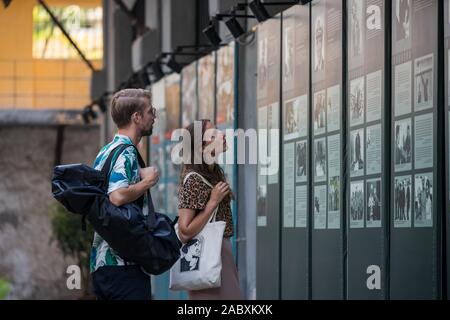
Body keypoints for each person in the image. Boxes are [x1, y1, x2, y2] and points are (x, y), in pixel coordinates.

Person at [90, 88, 159, 300]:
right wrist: (147, 181)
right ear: (136, 117)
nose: (154, 116)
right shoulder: (126, 152)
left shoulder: (107, 151)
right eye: (150, 111)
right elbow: (117, 196)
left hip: (103, 264)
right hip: (123, 265)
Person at [177, 119, 243, 300]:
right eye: (213, 135)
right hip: (208, 259)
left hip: (220, 256)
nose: (222, 135)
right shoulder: (194, 180)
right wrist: (212, 202)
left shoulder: (213, 175)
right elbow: (185, 231)